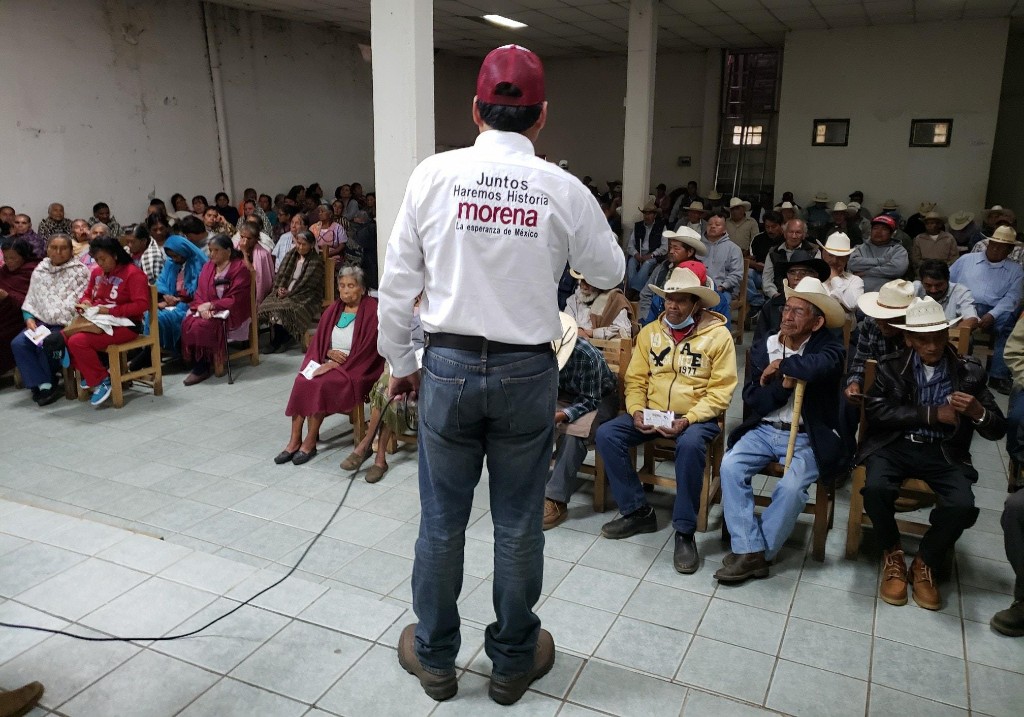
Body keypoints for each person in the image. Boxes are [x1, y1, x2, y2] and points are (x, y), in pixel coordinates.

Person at [378, 44, 625, 706]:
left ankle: (435, 656)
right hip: (526, 372)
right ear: (541, 116)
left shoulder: (434, 175)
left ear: (475, 110)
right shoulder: (561, 187)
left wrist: (403, 364)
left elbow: (397, 282)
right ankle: (513, 661)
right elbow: (612, 273)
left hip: (448, 367)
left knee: (441, 521)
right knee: (517, 520)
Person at [860, 297, 1005, 610]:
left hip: (945, 451)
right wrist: (930, 414)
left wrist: (979, 412)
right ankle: (893, 552)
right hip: (895, 444)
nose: (932, 346)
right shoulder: (891, 366)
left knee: (962, 505)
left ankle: (925, 561)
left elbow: (997, 429)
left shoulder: (969, 372)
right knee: (875, 489)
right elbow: (876, 412)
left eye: (938, 337)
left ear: (947, 335)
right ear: (909, 339)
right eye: (923, 339)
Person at [596, 267, 737, 574]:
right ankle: (637, 510)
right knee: (607, 434)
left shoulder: (718, 336)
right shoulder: (650, 333)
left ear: (696, 304)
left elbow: (721, 391)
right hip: (654, 411)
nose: (673, 306)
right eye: (669, 300)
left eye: (681, 301)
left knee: (689, 446)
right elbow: (635, 380)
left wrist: (690, 419)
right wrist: (635, 410)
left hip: (697, 416)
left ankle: (684, 531)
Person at [716, 277, 846, 582]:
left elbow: (821, 366)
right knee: (731, 466)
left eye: (798, 312)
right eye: (787, 309)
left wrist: (783, 368)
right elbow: (753, 398)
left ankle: (756, 553)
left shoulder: (830, 346)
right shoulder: (766, 346)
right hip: (765, 429)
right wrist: (783, 387)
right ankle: (752, 550)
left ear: (816, 323)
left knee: (791, 488)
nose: (787, 316)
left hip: (807, 436)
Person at [278, 267, 383, 465]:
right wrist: (327, 354)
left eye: (351, 286)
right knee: (302, 380)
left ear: (361, 288)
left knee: (319, 384)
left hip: (355, 366)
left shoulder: (371, 311)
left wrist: (337, 365)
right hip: (328, 361)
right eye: (342, 286)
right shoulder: (333, 310)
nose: (345, 291)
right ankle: (294, 440)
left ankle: (310, 441)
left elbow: (370, 348)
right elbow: (319, 342)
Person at [539, 311, 618, 529]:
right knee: (533, 423)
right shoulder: (541, 349)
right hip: (563, 394)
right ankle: (530, 484)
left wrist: (563, 415)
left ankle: (556, 499)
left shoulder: (587, 356)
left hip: (600, 397)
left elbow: (590, 400)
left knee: (575, 433)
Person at [341, 302, 424, 483]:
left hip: (424, 367)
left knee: (387, 392)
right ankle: (377, 455)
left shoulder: (432, 308)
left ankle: (369, 447)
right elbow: (391, 344)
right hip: (398, 365)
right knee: (384, 390)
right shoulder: (398, 307)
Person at [65, 237, 149, 406]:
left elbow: (142, 305)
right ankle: (95, 374)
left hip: (127, 325)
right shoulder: (97, 273)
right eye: (96, 260)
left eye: (103, 259)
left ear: (115, 255)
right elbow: (88, 293)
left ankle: (102, 379)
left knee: (77, 341)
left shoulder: (133, 273)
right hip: (99, 320)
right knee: (65, 336)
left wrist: (110, 310)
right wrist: (86, 302)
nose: (100, 263)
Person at [13, 233, 90, 404]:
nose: (58, 252)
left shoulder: (80, 271)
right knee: (18, 344)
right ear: (47, 249)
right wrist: (29, 318)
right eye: (54, 248)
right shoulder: (40, 270)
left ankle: (47, 384)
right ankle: (42, 381)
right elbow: (31, 300)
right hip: (40, 322)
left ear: (71, 251)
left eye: (63, 248)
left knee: (46, 343)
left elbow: (81, 301)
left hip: (66, 324)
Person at [951, 225, 1023, 394]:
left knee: (1007, 326)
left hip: (995, 309)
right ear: (988, 243)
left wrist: (992, 314)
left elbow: (1012, 298)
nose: (996, 248)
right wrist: (969, 313)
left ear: (1010, 249)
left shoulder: (1016, 270)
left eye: (1002, 246)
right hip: (965, 305)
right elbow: (950, 283)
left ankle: (997, 376)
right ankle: (962, 370)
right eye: (994, 244)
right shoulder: (966, 260)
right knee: (961, 328)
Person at [180, 235, 253, 386]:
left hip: (230, 311)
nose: (211, 254)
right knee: (188, 321)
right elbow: (200, 292)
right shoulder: (208, 267)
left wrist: (213, 306)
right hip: (208, 308)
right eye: (210, 250)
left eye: (216, 250)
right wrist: (202, 307)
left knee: (203, 326)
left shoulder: (239, 269)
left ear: (228, 251)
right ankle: (198, 360)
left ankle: (202, 367)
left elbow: (237, 298)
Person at [259, 229, 324, 353]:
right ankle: (281, 339)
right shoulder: (290, 255)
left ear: (311, 245)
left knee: (285, 306)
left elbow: (309, 284)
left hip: (305, 293)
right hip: (287, 288)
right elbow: (281, 275)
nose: (299, 247)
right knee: (270, 304)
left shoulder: (316, 261)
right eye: (297, 243)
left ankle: (281, 340)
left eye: (303, 244)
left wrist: (291, 292)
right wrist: (280, 289)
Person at [753, 251, 830, 345]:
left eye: (803, 272)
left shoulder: (824, 308)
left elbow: (829, 346)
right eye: (792, 272)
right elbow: (758, 343)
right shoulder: (771, 305)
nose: (796, 277)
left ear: (815, 276)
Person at [151, 234, 208, 356]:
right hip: (172, 301)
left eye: (177, 256)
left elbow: (199, 291)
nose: (175, 259)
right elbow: (161, 281)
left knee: (163, 317)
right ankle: (153, 351)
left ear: (184, 250)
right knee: (150, 314)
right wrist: (166, 295)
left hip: (191, 304)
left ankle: (170, 351)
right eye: (172, 256)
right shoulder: (171, 263)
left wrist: (176, 300)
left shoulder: (199, 264)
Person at [638, 228, 706, 325]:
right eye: (670, 247)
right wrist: (648, 319)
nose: (671, 251)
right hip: (655, 320)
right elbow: (646, 293)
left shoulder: (699, 274)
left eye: (676, 248)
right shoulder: (662, 269)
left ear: (690, 251)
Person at [0, 238, 41, 375]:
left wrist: (7, 297)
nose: (9, 261)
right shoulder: (4, 272)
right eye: (6, 258)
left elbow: (31, 301)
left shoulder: (33, 271)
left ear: (23, 256)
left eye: (13, 258)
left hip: (20, 319)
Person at [564, 269, 633, 340]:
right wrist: (578, 330)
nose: (584, 287)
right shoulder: (573, 300)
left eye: (589, 282)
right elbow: (566, 321)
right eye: (582, 281)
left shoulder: (615, 300)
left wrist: (593, 333)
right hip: (574, 342)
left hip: (602, 348)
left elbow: (624, 331)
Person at [701, 214, 743, 328]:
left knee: (721, 302)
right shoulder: (698, 246)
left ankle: (724, 338)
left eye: (717, 225)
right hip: (699, 287)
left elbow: (736, 274)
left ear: (724, 229)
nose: (713, 227)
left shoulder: (733, 248)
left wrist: (721, 287)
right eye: (710, 224)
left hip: (723, 289)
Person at [848, 215, 910, 292]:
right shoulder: (860, 248)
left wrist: (866, 272)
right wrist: (883, 261)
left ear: (891, 234)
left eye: (884, 229)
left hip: (888, 293)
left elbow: (898, 269)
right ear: (870, 231)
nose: (878, 232)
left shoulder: (898, 250)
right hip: (859, 292)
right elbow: (853, 264)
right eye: (875, 228)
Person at [913, 259, 979, 329]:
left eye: (938, 285)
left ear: (948, 280)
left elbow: (972, 320)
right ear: (921, 282)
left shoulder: (960, 292)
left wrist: (950, 336)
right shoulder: (915, 288)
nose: (933, 290)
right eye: (928, 285)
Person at [762, 219, 818, 298]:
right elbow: (767, 281)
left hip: (806, 297)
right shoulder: (773, 252)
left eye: (798, 232)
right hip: (778, 296)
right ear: (784, 234)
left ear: (804, 235)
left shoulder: (814, 251)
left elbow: (816, 279)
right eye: (791, 232)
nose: (794, 236)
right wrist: (776, 295)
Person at [626, 200, 666, 294]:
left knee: (647, 263)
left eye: (649, 214)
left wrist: (651, 255)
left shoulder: (661, 226)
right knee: (631, 262)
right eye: (645, 213)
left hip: (653, 255)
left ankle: (633, 290)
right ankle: (634, 289)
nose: (646, 216)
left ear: (655, 215)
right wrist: (636, 254)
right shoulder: (638, 226)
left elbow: (664, 248)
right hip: (639, 254)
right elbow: (630, 245)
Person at [819, 232, 863, 317]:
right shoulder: (814, 276)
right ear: (823, 254)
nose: (835, 260)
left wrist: (835, 278)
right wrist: (841, 306)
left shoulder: (855, 280)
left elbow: (852, 305)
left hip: (846, 329)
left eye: (840, 257)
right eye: (831, 255)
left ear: (847, 258)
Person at [748, 211, 784, 311]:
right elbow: (749, 259)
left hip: (779, 276)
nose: (770, 230)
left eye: (773, 227)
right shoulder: (758, 239)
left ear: (781, 225)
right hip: (759, 274)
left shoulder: (786, 240)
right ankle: (757, 302)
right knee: (745, 273)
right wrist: (755, 265)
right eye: (767, 227)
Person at [236, 222, 275, 307]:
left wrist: (244, 252)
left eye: (249, 238)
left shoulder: (263, 254)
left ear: (256, 239)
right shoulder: (235, 248)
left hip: (253, 289)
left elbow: (253, 274)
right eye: (242, 237)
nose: (244, 241)